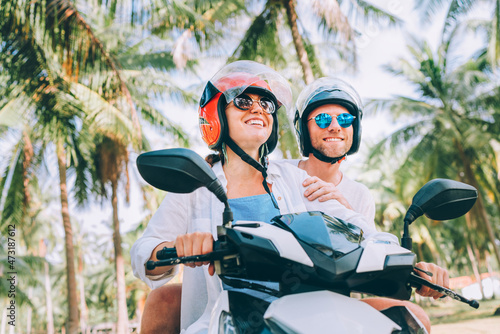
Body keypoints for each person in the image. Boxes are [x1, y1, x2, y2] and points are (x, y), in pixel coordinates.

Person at [131, 61, 384, 334]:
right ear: (215, 116)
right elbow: (143, 253)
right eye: (242, 101)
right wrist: (177, 248)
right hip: (224, 323)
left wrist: (352, 219)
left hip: (301, 321)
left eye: (267, 104)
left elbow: (363, 232)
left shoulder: (294, 179)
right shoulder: (197, 187)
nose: (257, 109)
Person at [290, 76, 449, 332]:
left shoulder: (359, 194)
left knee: (415, 318)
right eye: (321, 119)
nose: (334, 126)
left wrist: (418, 270)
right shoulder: (279, 175)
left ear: (355, 129)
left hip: (335, 300)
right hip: (282, 296)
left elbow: (372, 253)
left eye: (344, 120)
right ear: (304, 130)